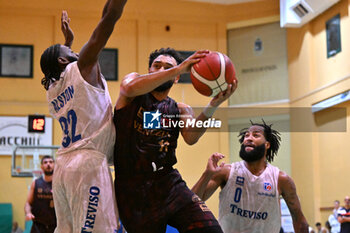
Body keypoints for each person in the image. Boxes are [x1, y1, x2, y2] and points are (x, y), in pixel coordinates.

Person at [113, 47, 237, 233]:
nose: (162, 70)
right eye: (157, 66)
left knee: (211, 229)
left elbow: (191, 137)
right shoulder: (133, 88)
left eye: (168, 67)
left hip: (169, 184)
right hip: (132, 189)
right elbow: (128, 87)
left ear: (176, 79)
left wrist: (214, 104)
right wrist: (178, 67)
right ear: (150, 71)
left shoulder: (180, 109)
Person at [39, 0, 127, 232]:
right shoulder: (83, 66)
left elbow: (62, 70)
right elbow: (107, 20)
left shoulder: (52, 90)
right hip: (87, 164)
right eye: (70, 51)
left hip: (63, 168)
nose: (77, 52)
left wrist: (67, 43)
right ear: (62, 60)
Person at [192, 121, 309, 233]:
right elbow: (190, 202)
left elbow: (299, 220)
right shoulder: (227, 172)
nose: (248, 138)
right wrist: (207, 174)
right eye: (246, 135)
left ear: (267, 144)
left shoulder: (281, 179)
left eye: (256, 135)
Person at [24, 156, 56, 233]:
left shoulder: (59, 184)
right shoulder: (36, 183)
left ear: (55, 165)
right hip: (38, 226)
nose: (48, 164)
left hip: (55, 226)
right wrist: (28, 213)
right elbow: (28, 203)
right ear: (41, 166)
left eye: (51, 162)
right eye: (45, 162)